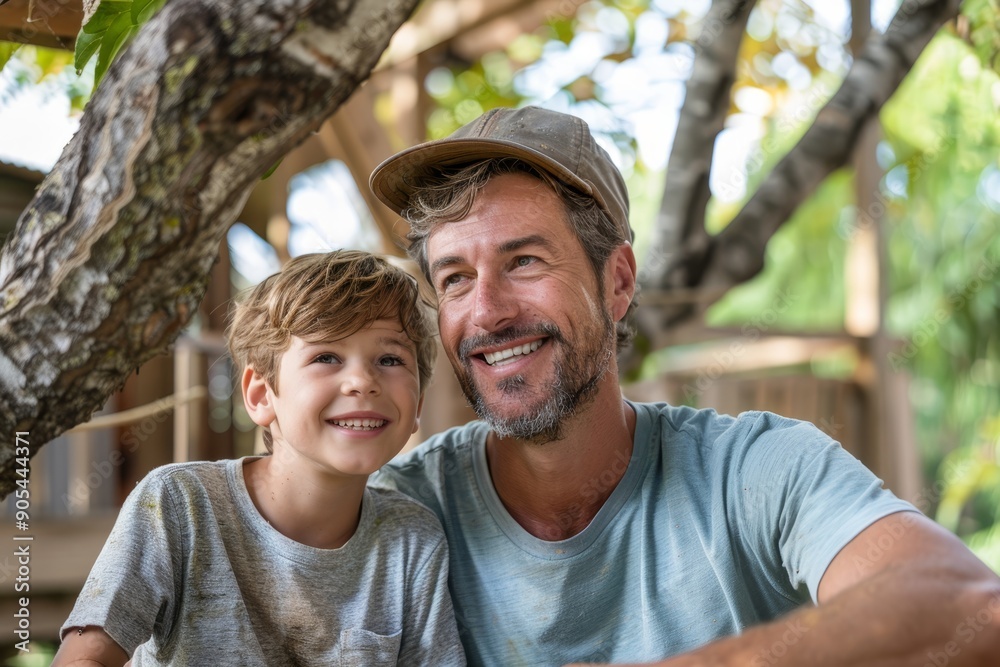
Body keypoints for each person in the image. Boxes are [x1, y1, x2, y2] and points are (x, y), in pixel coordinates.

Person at [368, 106, 1000, 666]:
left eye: (524, 262)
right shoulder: (399, 514)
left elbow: (967, 605)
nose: (486, 313)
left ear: (617, 282)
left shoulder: (751, 470)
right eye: (454, 278)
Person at [52, 251, 466, 666]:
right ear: (260, 394)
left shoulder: (412, 540)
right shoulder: (180, 504)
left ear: (417, 406)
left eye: (390, 360)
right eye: (326, 357)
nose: (362, 381)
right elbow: (84, 658)